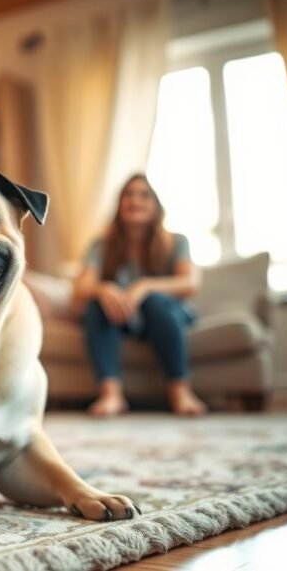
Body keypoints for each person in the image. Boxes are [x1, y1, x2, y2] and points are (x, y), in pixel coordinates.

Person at [72, 173, 208, 417]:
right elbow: (81, 288)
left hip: (167, 316)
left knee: (154, 301)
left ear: (156, 205)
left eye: (144, 195)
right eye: (128, 195)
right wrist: (105, 288)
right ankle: (111, 394)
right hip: (124, 318)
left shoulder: (177, 242)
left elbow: (190, 283)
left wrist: (144, 287)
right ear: (119, 205)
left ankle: (180, 391)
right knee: (96, 306)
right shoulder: (101, 244)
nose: (135, 200)